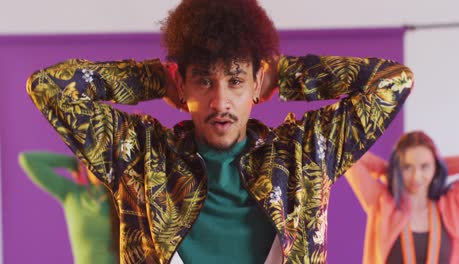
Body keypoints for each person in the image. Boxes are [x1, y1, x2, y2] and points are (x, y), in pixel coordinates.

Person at [26, 0, 413, 263]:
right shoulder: (141, 157)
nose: (220, 101)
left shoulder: (304, 155)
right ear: (184, 86)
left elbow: (393, 82)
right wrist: (154, 81)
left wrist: (287, 74)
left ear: (256, 83)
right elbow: (49, 88)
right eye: (204, 81)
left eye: (235, 80)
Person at [344, 131, 459, 264]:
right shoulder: (382, 202)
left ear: (435, 167)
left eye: (424, 166)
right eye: (407, 167)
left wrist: (440, 167)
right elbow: (346, 154)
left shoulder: (453, 204)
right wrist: (391, 170)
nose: (416, 176)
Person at [18, 151, 119, 264]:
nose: (96, 167)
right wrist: (72, 163)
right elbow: (28, 160)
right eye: (91, 161)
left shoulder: (122, 200)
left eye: (103, 162)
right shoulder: (72, 194)